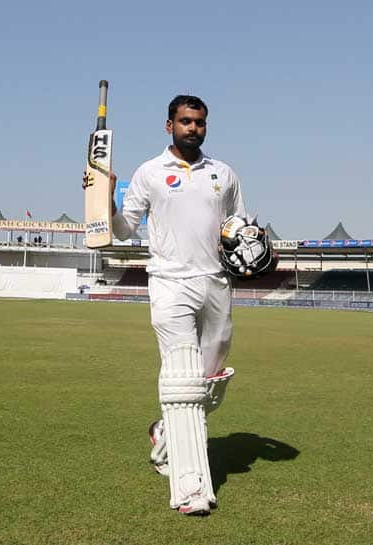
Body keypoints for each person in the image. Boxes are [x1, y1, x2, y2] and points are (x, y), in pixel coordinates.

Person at [94, 95, 246, 516]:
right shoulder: (149, 173)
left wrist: (250, 244)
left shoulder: (223, 174)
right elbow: (123, 230)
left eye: (198, 122)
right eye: (184, 121)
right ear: (169, 126)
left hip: (215, 282)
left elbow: (237, 226)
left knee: (210, 379)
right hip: (169, 283)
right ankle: (191, 487)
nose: (192, 128)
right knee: (182, 377)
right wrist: (105, 199)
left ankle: (165, 434)